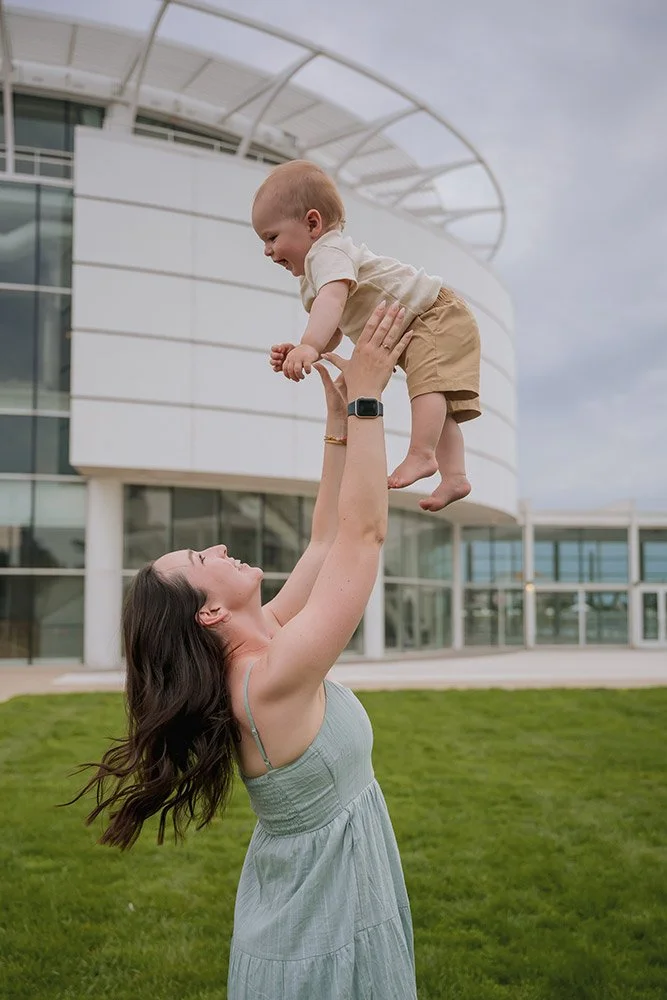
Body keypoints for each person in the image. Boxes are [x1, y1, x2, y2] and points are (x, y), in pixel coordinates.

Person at [71, 301, 418, 1000]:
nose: (222, 546)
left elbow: (323, 541)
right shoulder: (270, 682)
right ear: (209, 609)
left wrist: (335, 430)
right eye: (204, 554)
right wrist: (369, 399)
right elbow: (361, 540)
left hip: (329, 910)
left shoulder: (270, 643)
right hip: (318, 939)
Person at [252, 158, 482, 512]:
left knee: (428, 389)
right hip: (423, 321)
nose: (267, 251)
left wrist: (308, 345)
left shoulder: (327, 252)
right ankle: (455, 476)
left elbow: (332, 301)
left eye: (272, 237)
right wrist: (307, 348)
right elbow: (333, 329)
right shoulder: (313, 277)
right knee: (439, 404)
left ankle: (422, 454)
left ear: (312, 223)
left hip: (433, 313)